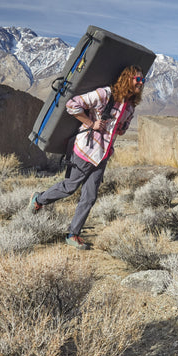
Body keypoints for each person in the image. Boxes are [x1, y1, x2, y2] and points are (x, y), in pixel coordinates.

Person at [29, 65, 145, 250]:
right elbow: (72, 105)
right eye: (137, 79)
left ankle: (73, 234)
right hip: (85, 150)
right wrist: (92, 122)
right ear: (127, 79)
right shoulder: (105, 94)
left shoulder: (130, 107)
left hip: (103, 155)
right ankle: (39, 200)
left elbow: (121, 130)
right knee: (70, 187)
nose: (141, 83)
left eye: (142, 80)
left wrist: (121, 128)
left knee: (90, 196)